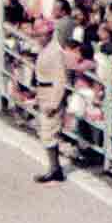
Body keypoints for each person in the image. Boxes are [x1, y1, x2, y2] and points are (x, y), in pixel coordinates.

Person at [31, 24, 75, 183]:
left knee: (49, 132)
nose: (40, 38)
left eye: (43, 35)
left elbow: (60, 79)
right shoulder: (45, 49)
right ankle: (54, 167)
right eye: (38, 35)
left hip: (51, 93)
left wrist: (54, 103)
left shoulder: (56, 52)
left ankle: (54, 169)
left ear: (50, 34)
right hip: (43, 90)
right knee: (46, 132)